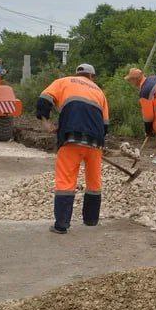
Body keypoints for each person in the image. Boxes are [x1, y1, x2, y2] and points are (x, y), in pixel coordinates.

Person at [37, 63, 110, 234]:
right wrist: (97, 141)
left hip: (71, 138)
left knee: (66, 180)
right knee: (94, 180)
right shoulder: (99, 92)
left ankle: (61, 225)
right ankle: (91, 219)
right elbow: (105, 124)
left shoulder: (63, 82)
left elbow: (44, 99)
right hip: (95, 142)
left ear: (77, 74)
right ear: (92, 77)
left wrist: (46, 122)